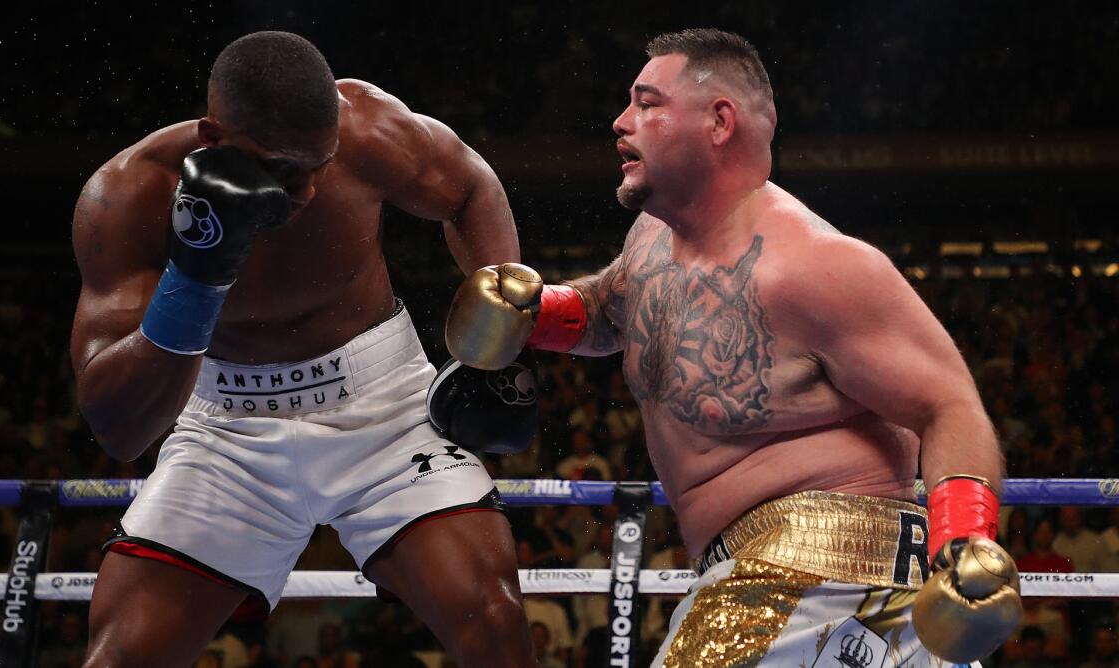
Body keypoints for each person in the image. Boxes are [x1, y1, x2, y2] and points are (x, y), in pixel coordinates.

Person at [444, 28, 1021, 665]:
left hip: (828, 574)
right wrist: (532, 311)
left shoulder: (816, 266)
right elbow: (609, 311)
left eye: (647, 102)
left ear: (719, 121)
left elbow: (949, 405)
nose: (620, 121)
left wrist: (964, 547)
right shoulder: (651, 241)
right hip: (754, 571)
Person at [69, 31, 536, 667]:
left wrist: (499, 338)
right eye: (282, 166)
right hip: (224, 437)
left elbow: (470, 186)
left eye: (319, 163)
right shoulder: (129, 195)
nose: (308, 189)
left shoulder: (368, 129)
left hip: (385, 414)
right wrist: (197, 278)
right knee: (120, 658)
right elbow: (118, 428)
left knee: (496, 626)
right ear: (212, 138)